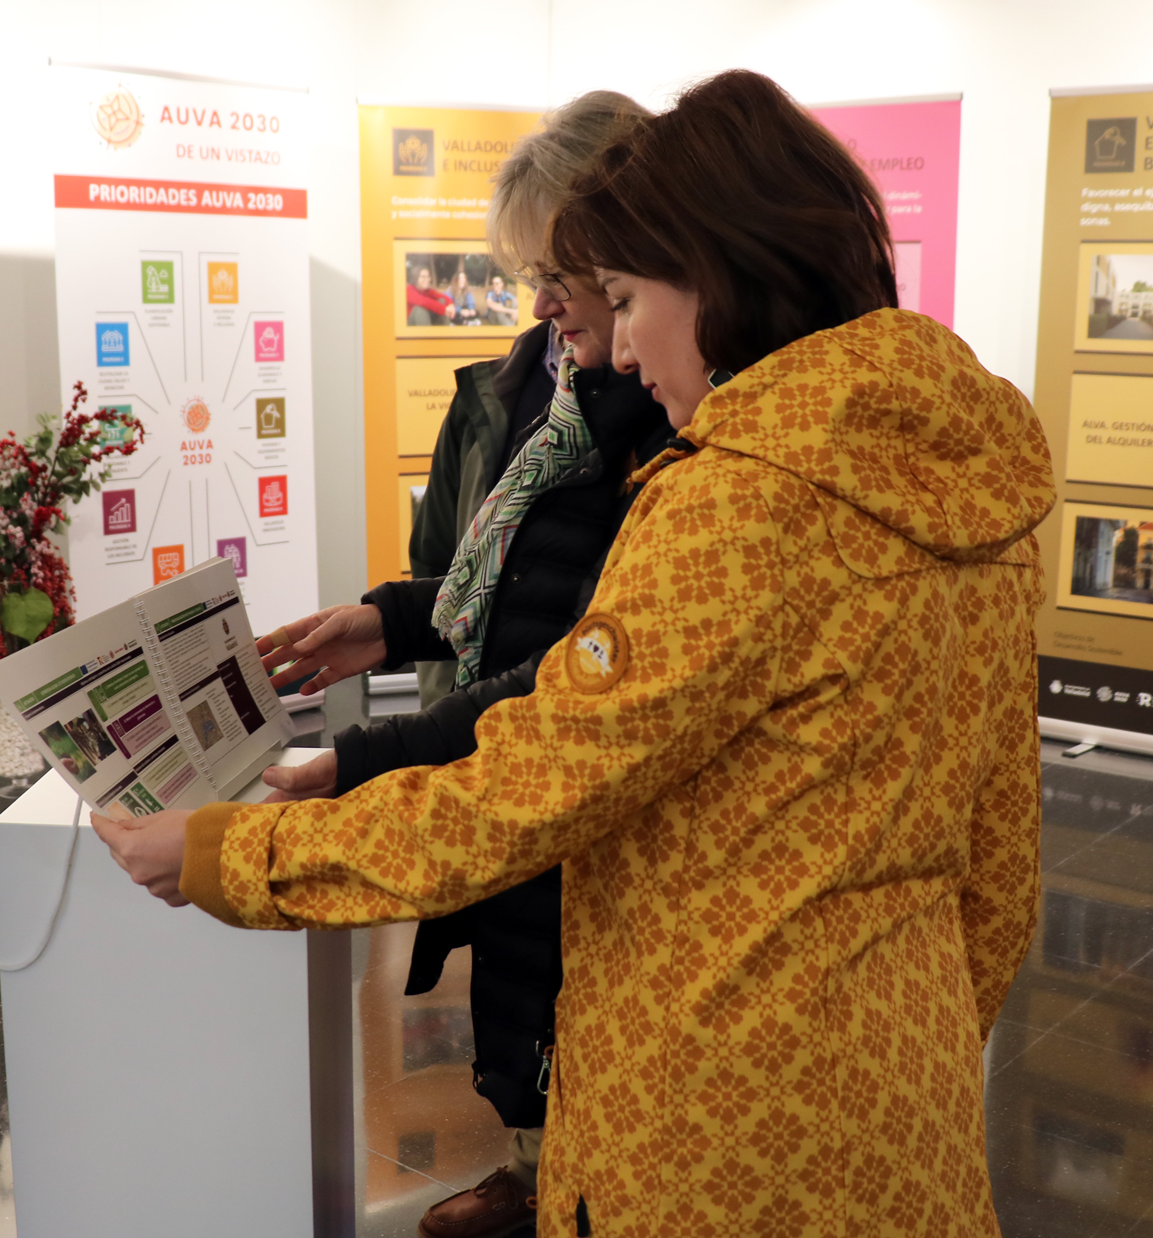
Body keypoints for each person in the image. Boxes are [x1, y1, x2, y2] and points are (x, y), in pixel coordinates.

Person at [95, 71, 1053, 1237]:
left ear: (717, 274)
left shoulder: (736, 503)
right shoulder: (967, 483)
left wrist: (232, 854)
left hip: (714, 1111)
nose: (621, 343)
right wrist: (907, 1027)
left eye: (627, 295)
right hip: (907, 1083)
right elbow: (1001, 861)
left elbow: (525, 789)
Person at [257, 89, 662, 1238]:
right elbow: (499, 581)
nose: (542, 305)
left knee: (586, 1008)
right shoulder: (538, 390)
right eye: (534, 275)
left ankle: (572, 1187)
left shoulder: (680, 428)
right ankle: (534, 1171)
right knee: (521, 988)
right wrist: (392, 619)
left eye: (566, 277)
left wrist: (358, 762)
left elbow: (583, 664)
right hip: (512, 750)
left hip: (579, 771)